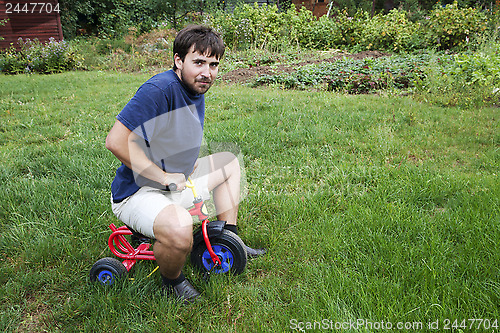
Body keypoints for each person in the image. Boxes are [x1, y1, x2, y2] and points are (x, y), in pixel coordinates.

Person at [105, 25, 265, 304]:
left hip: (175, 181)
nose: (207, 72)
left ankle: (228, 238)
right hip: (138, 193)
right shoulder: (159, 89)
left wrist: (181, 166)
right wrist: (164, 176)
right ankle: (172, 281)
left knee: (228, 163)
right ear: (178, 61)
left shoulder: (194, 88)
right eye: (199, 62)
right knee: (180, 229)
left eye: (214, 64)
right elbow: (116, 141)